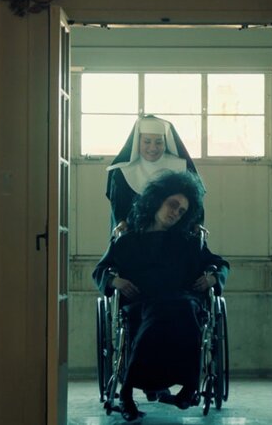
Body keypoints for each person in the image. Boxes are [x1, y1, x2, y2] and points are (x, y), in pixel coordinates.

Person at [93, 171, 229, 421]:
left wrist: (213, 278)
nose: (176, 213)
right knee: (163, 312)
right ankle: (150, 390)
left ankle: (169, 389)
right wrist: (115, 280)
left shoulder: (189, 242)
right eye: (172, 205)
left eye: (182, 211)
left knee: (182, 309)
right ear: (157, 201)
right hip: (141, 305)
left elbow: (221, 265)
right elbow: (100, 270)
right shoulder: (128, 241)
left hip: (183, 302)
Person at [105, 115, 202, 237]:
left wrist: (197, 223)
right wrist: (121, 222)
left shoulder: (181, 166)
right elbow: (118, 205)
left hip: (174, 236)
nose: (153, 147)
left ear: (166, 142)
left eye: (159, 142)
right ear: (137, 142)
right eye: (147, 142)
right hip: (135, 235)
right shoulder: (122, 172)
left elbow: (194, 201)